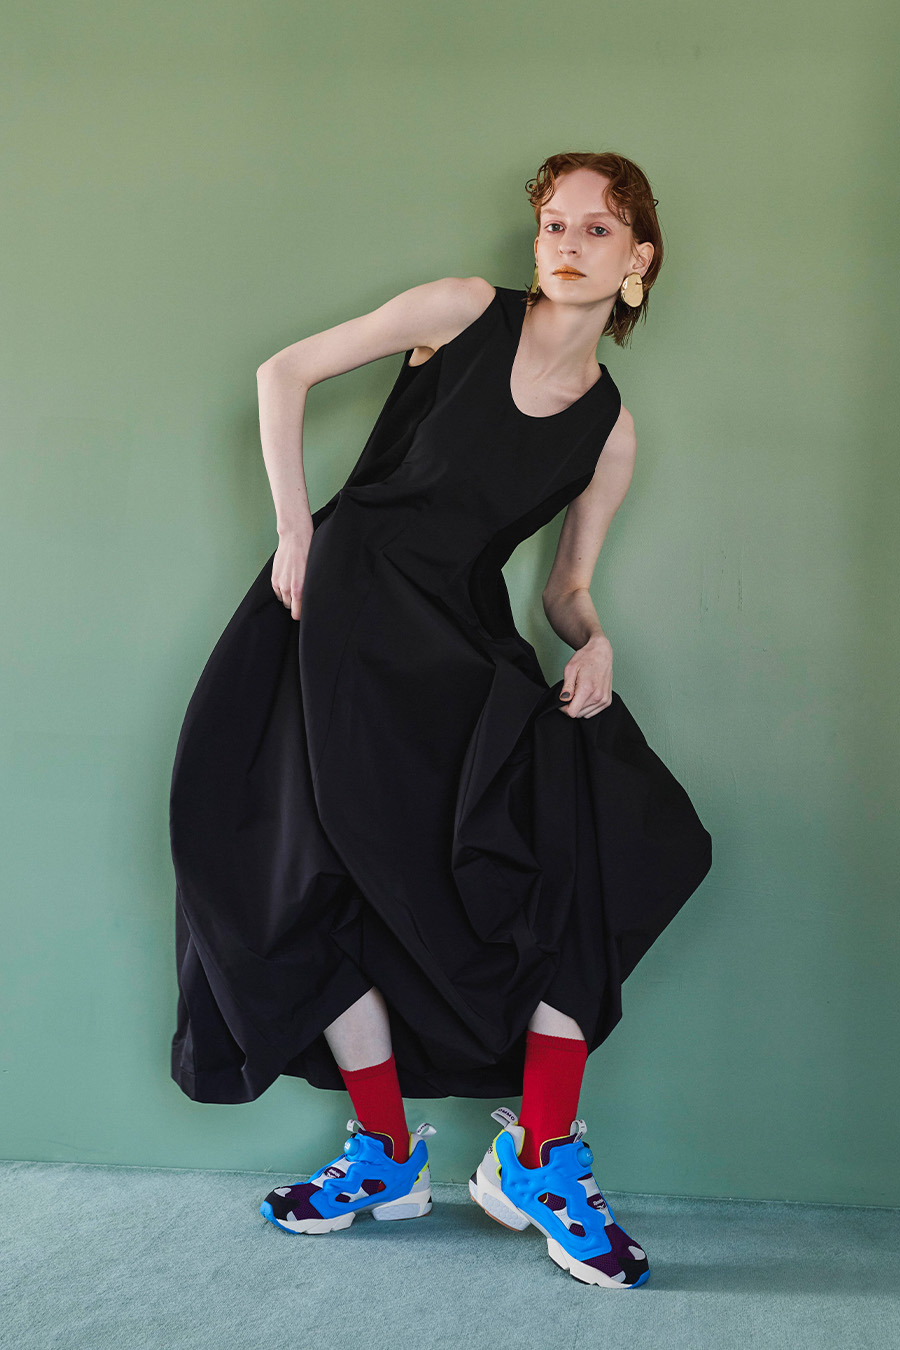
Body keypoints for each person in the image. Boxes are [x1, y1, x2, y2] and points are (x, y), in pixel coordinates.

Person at [168, 151, 713, 1289]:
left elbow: (565, 589)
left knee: (603, 834)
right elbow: (282, 371)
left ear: (640, 258)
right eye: (553, 224)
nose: (568, 245)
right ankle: (384, 1155)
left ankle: (542, 1156)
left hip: (456, 644)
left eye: (598, 229)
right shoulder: (462, 310)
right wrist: (295, 531)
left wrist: (595, 642)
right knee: (308, 877)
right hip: (330, 619)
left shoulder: (609, 430)